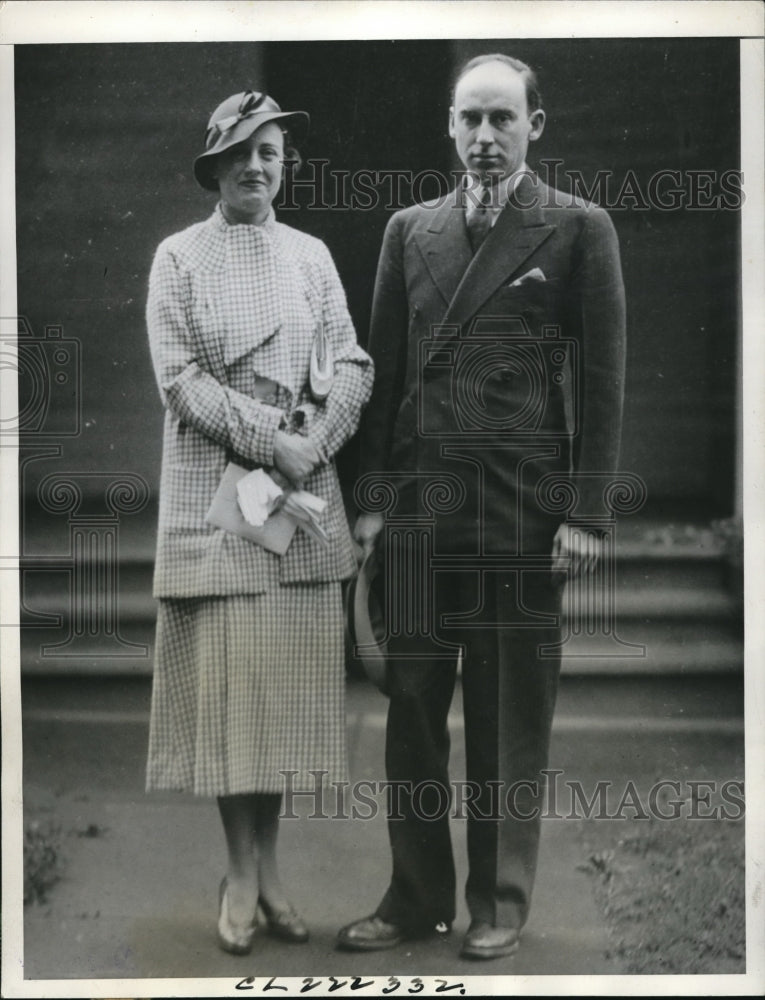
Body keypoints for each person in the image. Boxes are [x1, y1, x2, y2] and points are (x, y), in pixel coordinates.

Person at [338, 54, 625, 960]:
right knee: (413, 712)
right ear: (450, 128)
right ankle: (413, 895)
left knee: (507, 719)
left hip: (520, 518)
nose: (485, 137)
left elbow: (605, 383)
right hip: (422, 521)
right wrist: (372, 506)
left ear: (536, 125)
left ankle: (499, 900)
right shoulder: (407, 230)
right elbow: (382, 380)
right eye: (470, 120)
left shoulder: (577, 228)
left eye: (503, 118)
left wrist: (585, 512)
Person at [144, 89, 373, 955]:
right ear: (214, 166)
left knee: (282, 702)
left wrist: (312, 442)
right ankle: (237, 873)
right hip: (220, 492)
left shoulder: (312, 256)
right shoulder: (178, 257)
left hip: (301, 492)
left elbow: (349, 359)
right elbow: (180, 379)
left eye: (269, 152)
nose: (254, 166)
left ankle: (271, 870)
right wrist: (267, 440)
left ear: (285, 166)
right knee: (232, 698)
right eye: (239, 152)